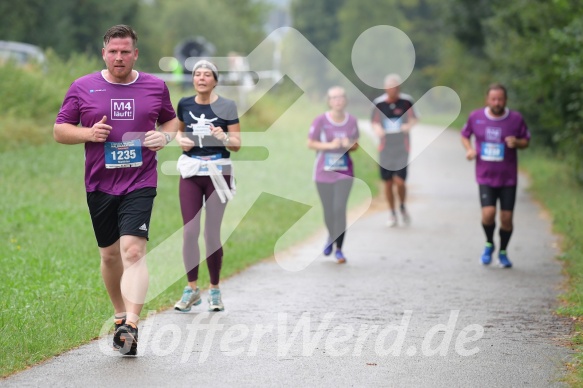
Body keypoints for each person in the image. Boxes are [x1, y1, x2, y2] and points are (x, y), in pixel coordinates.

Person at [53, 25, 178, 356]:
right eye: (113, 51)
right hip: (99, 183)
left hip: (140, 180)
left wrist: (164, 138)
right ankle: (120, 313)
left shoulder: (155, 86)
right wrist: (88, 134)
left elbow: (171, 121)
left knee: (133, 251)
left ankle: (131, 326)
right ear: (103, 53)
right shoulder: (83, 87)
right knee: (109, 255)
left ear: (136, 54)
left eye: (126, 51)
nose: (119, 57)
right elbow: (60, 130)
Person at [173, 60, 241, 313]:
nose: (201, 78)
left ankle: (214, 289)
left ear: (215, 80)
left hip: (218, 172)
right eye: (197, 74)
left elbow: (237, 143)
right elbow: (179, 132)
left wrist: (223, 136)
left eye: (206, 75)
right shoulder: (185, 103)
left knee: (211, 234)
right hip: (191, 171)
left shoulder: (227, 105)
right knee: (190, 232)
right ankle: (192, 290)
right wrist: (183, 141)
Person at [461, 83, 531, 268]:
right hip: (485, 176)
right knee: (489, 214)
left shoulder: (515, 119)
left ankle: (503, 252)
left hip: (508, 178)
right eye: (493, 99)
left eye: (500, 99)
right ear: (487, 99)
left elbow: (526, 141)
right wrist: (469, 150)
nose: (497, 102)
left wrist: (517, 143)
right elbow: (464, 134)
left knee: (506, 219)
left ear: (505, 100)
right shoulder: (476, 117)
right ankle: (489, 243)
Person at [307, 86, 359, 263]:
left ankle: (339, 249)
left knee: (339, 208)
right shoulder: (321, 120)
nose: (338, 100)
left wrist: (348, 144)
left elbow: (356, 145)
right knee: (329, 211)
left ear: (345, 100)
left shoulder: (352, 121)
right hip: (323, 172)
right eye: (334, 97)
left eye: (341, 97)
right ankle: (331, 235)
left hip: (344, 172)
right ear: (329, 101)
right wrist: (330, 145)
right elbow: (310, 143)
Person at [371, 74, 418, 227]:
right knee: (388, 183)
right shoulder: (379, 103)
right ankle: (392, 212)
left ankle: (402, 206)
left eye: (396, 87)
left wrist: (407, 126)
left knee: (400, 181)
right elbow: (374, 122)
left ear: (399, 88)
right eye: (391, 88)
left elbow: (414, 118)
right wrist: (378, 130)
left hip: (401, 147)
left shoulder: (406, 101)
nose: (394, 90)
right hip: (385, 148)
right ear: (386, 88)